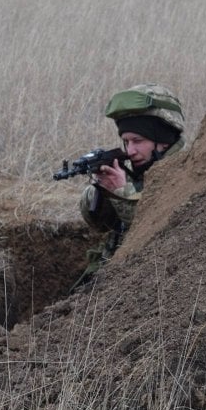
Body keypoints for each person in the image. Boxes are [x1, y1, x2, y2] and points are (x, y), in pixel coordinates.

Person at [75, 83, 185, 284]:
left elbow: (153, 228)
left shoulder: (185, 173)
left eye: (138, 140)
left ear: (164, 140)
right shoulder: (137, 173)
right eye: (126, 141)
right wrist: (101, 190)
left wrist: (122, 192)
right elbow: (100, 225)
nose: (130, 150)